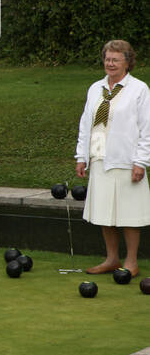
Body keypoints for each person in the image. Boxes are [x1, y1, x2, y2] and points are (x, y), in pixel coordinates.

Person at [74, 40, 150, 276]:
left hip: (127, 159)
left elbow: (147, 127)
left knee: (129, 213)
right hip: (100, 158)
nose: (110, 63)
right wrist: (81, 156)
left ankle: (131, 262)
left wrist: (141, 161)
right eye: (107, 59)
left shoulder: (139, 89)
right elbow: (85, 123)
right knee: (104, 212)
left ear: (127, 62)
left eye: (115, 59)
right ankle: (112, 259)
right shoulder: (95, 88)